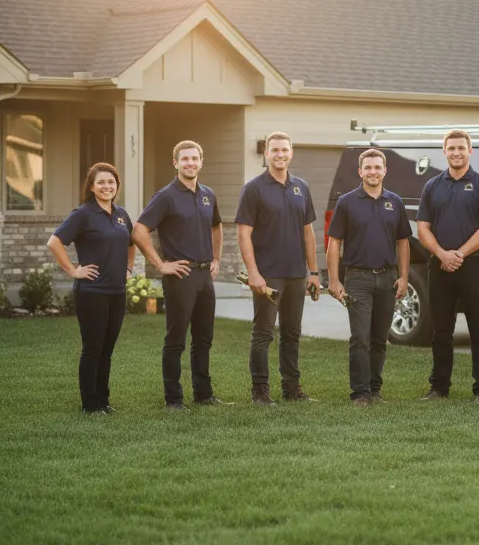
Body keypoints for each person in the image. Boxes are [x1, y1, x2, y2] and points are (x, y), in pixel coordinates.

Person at [132, 140, 225, 411]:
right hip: (180, 277)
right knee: (176, 340)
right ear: (175, 163)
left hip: (205, 276)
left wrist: (216, 259)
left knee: (204, 338)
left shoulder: (208, 193)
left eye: (194, 158)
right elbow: (139, 231)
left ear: (201, 161)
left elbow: (217, 227)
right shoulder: (165, 196)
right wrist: (161, 265)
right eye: (184, 159)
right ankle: (173, 399)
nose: (190, 163)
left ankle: (203, 394)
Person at [235, 131, 320, 405]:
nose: (280, 154)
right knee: (263, 333)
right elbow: (243, 233)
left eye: (284, 150)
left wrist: (314, 272)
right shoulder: (254, 188)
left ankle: (291, 388)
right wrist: (254, 273)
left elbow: (309, 232)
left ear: (291, 153)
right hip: (268, 273)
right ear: (266, 154)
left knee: (292, 333)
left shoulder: (301, 187)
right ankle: (260, 391)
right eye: (275, 150)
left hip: (296, 273)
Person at [47, 162, 136, 415]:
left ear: (117, 186)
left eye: (111, 182)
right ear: (92, 186)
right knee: (93, 349)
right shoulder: (83, 214)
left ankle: (103, 401)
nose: (107, 186)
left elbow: (132, 243)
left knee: (107, 349)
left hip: (117, 291)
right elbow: (54, 243)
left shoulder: (121, 215)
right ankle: (90, 404)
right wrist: (74, 271)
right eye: (101, 182)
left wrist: (129, 269)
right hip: (92, 293)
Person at [416, 129, 479, 401]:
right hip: (439, 267)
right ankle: (439, 387)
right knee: (441, 330)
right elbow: (423, 228)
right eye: (451, 148)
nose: (456, 152)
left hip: (472, 266)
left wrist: (458, 254)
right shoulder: (432, 186)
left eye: (461, 147)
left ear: (470, 151)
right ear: (444, 151)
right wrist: (442, 254)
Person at [326, 148, 412, 407]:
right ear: (360, 171)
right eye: (368, 167)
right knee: (360, 338)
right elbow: (334, 243)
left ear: (385, 171)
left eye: (378, 167)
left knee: (379, 338)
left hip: (387, 279)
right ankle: (360, 393)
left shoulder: (394, 202)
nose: (373, 172)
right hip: (357, 279)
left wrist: (404, 277)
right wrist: (333, 280)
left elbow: (403, 243)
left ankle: (375, 389)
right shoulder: (347, 202)